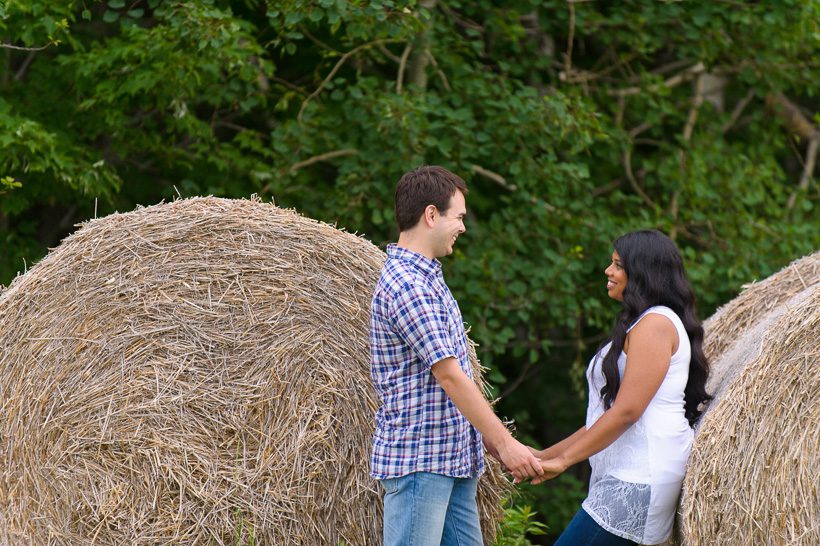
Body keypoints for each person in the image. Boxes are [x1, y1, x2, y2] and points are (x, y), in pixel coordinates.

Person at [369, 165, 543, 546]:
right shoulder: (408, 286)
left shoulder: (428, 278)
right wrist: (505, 443)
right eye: (459, 216)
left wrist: (490, 444)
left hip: (453, 460)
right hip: (421, 464)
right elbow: (448, 375)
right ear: (431, 215)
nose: (463, 227)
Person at [531, 229, 711, 546]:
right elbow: (608, 415)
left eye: (617, 265)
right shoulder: (644, 323)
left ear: (642, 273)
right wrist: (548, 456)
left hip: (641, 475)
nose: (608, 271)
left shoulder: (655, 325)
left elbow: (627, 411)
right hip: (629, 473)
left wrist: (565, 461)